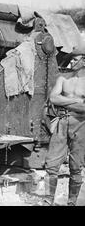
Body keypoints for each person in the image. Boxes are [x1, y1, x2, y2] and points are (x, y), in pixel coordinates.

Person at [44, 56, 85, 206]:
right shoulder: (63, 79)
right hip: (61, 122)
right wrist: (76, 102)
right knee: (51, 164)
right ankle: (48, 199)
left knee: (76, 166)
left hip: (81, 125)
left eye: (76, 59)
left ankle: (72, 202)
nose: (72, 61)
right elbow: (53, 98)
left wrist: (64, 102)